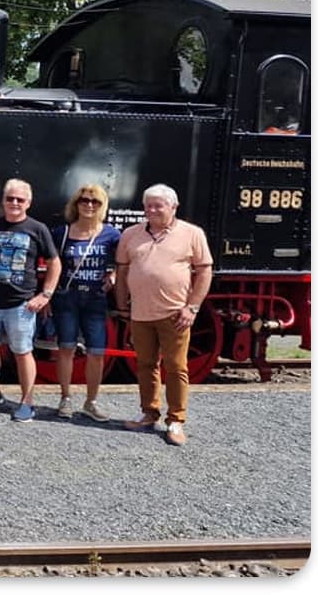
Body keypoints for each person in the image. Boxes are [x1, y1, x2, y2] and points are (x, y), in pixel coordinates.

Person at [114, 184, 213, 446]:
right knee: (145, 365)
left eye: (159, 205)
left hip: (175, 313)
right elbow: (122, 271)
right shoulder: (131, 234)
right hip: (140, 313)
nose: (153, 210)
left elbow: (204, 271)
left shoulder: (192, 234)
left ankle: (176, 420)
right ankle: (149, 413)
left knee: (176, 367)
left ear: (173, 207)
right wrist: (122, 304)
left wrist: (192, 307)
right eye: (148, 205)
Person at [0, 178, 61, 422]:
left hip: (21, 304)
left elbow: (54, 263)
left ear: (28, 202)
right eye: (10, 199)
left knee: (22, 352)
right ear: (3, 201)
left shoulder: (38, 229)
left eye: (20, 199)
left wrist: (46, 293)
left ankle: (27, 402)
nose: (14, 203)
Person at [48, 183, 121, 422]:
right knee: (66, 348)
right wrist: (47, 294)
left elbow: (124, 262)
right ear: (76, 204)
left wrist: (113, 275)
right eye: (84, 200)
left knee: (96, 352)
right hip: (67, 297)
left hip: (95, 298)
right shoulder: (62, 233)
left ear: (102, 206)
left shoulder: (111, 234)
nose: (89, 205)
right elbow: (53, 265)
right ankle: (65, 397)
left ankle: (91, 401)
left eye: (95, 202)